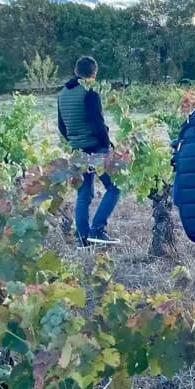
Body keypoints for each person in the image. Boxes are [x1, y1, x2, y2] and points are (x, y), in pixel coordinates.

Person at [57, 55, 121, 247]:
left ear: (77, 71)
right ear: (93, 73)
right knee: (114, 188)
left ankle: (82, 238)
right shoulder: (90, 92)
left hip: (77, 151)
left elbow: (61, 127)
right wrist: (108, 145)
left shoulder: (62, 94)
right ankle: (97, 230)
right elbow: (97, 123)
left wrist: (74, 141)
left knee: (83, 195)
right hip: (95, 149)